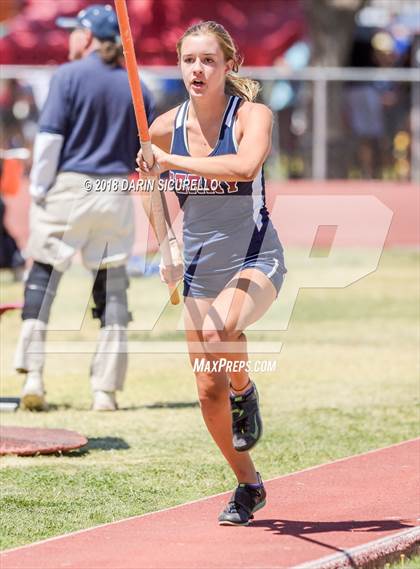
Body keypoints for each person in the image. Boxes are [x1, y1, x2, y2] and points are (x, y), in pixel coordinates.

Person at [137, 21, 286, 526]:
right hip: (199, 267)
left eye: (208, 60)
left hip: (254, 256)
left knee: (220, 328)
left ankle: (245, 389)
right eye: (189, 60)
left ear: (229, 66)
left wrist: (170, 159)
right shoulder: (161, 127)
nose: (197, 70)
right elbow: (148, 188)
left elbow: (244, 168)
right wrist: (167, 243)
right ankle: (248, 484)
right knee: (206, 391)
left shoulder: (252, 116)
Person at [14, 5, 155, 412]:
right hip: (113, 190)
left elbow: (49, 141)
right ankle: (104, 391)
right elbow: (141, 153)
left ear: (90, 37)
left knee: (42, 276)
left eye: (74, 31)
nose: (69, 38)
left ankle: (33, 376)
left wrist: (39, 189)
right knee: (112, 288)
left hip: (70, 185)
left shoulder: (68, 76)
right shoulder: (137, 85)